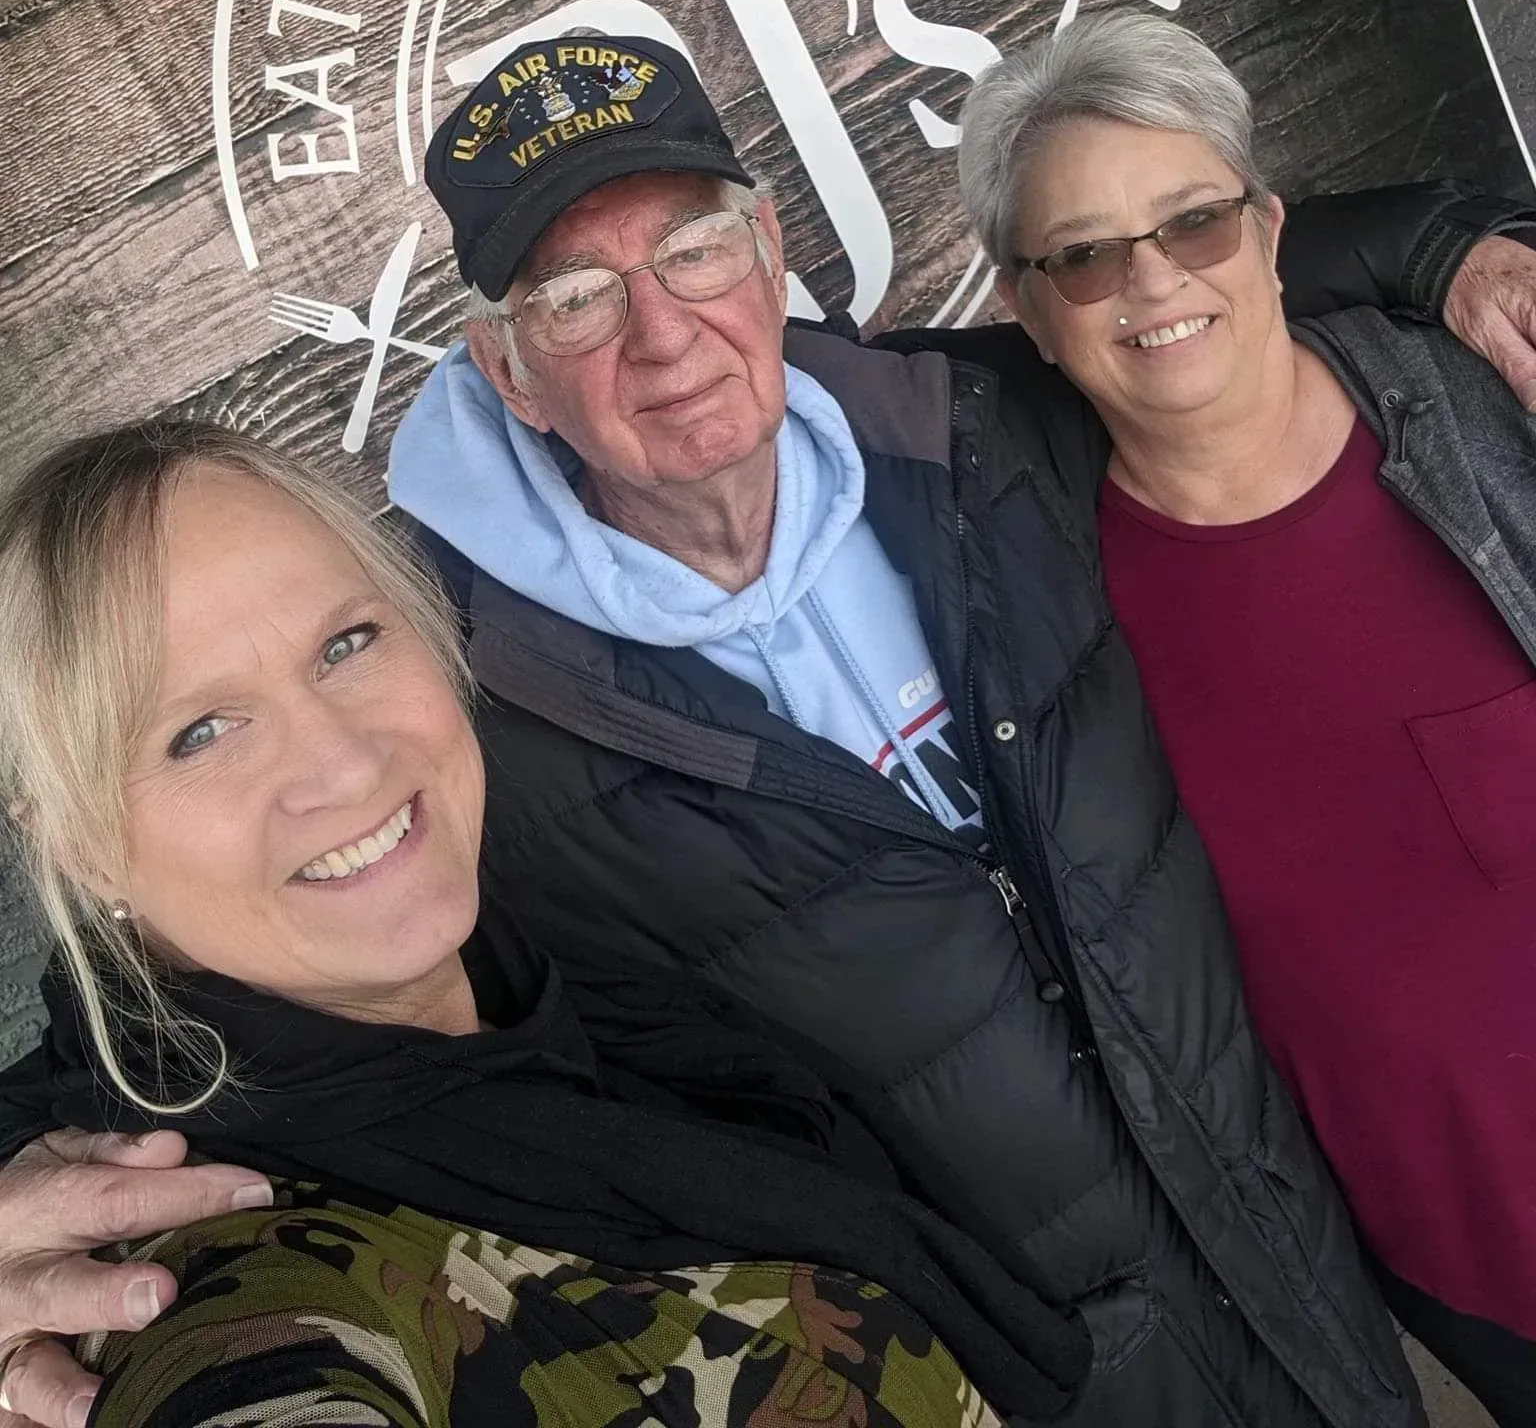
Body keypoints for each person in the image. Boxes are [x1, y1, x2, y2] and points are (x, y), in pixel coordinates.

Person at [5, 30, 1536, 1428]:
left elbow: (1168, 291)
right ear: (509, 372)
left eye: (693, 249)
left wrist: (1453, 248)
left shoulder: (975, 428)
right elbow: (257, 1006)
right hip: (1018, 1369)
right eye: (579, 297)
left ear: (768, 253)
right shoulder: (454, 696)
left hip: (1300, 1281)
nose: (662, 335)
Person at [0, 418, 1092, 1428]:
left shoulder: (570, 986)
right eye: (201, 731)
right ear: (79, 844)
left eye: (346, 643)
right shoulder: (191, 1262)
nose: (341, 759)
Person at [954, 6, 1536, 1428]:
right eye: (1086, 253)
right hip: (1466, 1281)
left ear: (1272, 233)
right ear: (1024, 310)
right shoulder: (1042, 611)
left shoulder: (1495, 405)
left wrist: (1443, 238)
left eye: (1196, 224)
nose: (1153, 280)